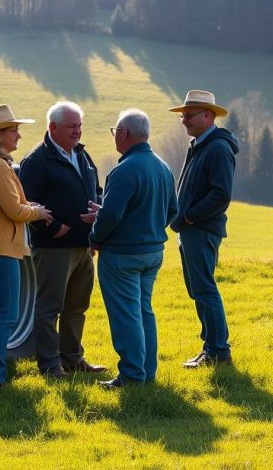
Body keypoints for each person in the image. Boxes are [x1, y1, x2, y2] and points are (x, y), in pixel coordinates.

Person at [0, 104, 53, 389]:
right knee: (5, 315)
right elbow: (14, 211)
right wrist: (37, 212)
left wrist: (27, 207)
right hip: (1, 250)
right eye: (13, 130)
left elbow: (8, 206)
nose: (18, 136)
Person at [89, 109, 177, 389]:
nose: (115, 137)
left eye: (115, 131)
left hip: (122, 255)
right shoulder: (163, 167)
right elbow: (172, 210)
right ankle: (146, 372)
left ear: (124, 134)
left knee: (126, 314)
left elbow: (112, 216)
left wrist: (95, 237)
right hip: (153, 252)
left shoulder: (124, 170)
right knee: (143, 311)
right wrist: (148, 229)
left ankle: (131, 375)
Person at [19, 101, 107, 379]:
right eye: (72, 126)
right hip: (54, 248)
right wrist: (53, 227)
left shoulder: (82, 155)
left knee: (77, 306)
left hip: (84, 246)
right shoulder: (36, 161)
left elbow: (98, 189)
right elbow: (26, 203)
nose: (77, 131)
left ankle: (72, 359)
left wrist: (99, 212)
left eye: (79, 126)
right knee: (49, 308)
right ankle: (49, 365)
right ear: (52, 127)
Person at [167, 90, 239, 368]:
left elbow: (220, 195)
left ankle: (219, 351)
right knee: (198, 288)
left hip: (200, 229)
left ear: (208, 116)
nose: (184, 120)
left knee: (204, 288)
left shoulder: (217, 148)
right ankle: (211, 348)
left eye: (189, 115)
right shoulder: (202, 144)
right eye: (183, 115)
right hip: (192, 229)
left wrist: (188, 218)